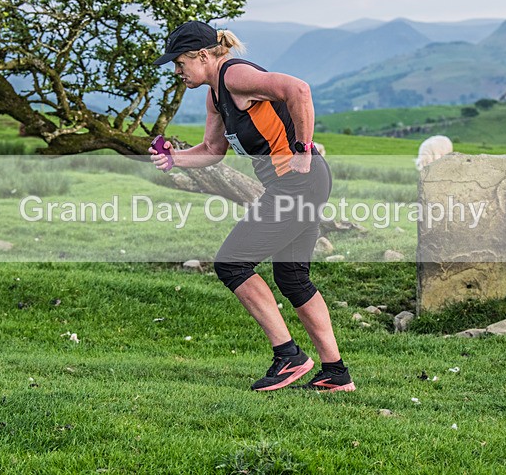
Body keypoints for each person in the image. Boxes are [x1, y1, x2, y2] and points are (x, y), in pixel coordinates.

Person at [150, 21, 354, 392]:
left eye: (180, 63)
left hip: (299, 182)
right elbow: (212, 150)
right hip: (297, 184)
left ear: (203, 55)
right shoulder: (216, 96)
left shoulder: (234, 75)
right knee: (292, 278)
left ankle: (289, 356)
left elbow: (298, 89)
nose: (177, 71)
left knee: (231, 263)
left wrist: (303, 148)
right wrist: (174, 158)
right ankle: (335, 374)